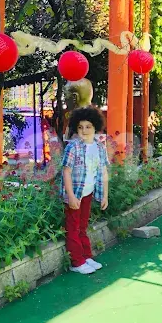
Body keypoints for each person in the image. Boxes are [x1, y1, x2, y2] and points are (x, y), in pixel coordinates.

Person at [60, 106, 109, 275]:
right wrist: (71, 196)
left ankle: (86, 256)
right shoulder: (73, 147)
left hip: (88, 193)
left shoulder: (100, 147)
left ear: (96, 127)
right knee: (73, 228)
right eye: (80, 127)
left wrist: (105, 196)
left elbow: (103, 171)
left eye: (88, 126)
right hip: (75, 194)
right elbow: (66, 171)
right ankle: (77, 262)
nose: (84, 130)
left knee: (82, 226)